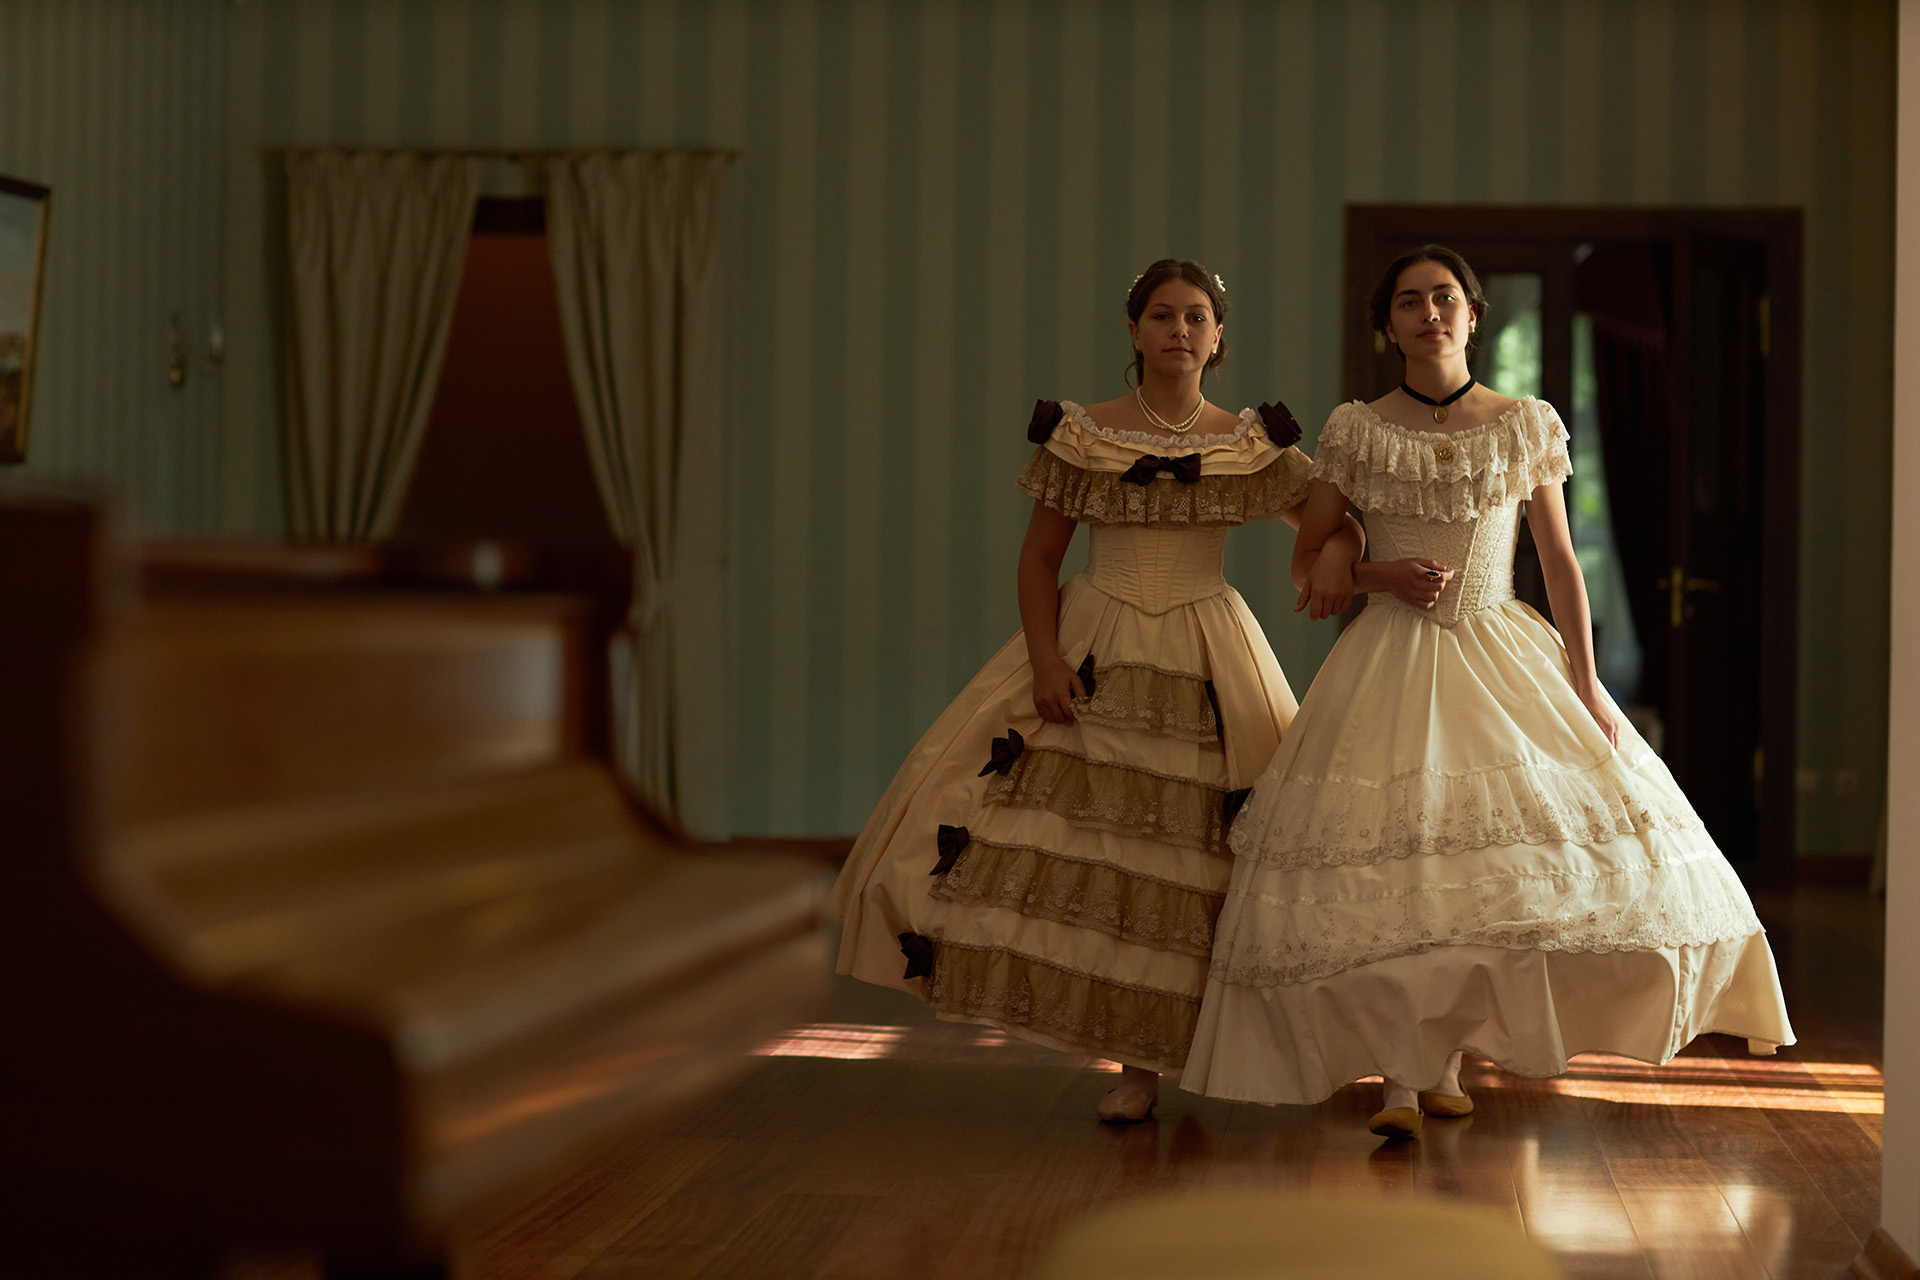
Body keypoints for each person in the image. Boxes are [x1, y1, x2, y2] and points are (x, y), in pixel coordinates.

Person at [1182, 244, 1794, 1138]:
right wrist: (1379, 571)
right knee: (1399, 871)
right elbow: (1308, 561)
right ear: (1386, 325)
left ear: (1472, 314)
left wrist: (1585, 686)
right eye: (1408, 302)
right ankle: (1401, 1077)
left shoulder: (1523, 423)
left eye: (1443, 299)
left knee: (1484, 876)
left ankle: (1449, 1058)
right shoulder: (1356, 428)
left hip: (1501, 648)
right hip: (1388, 659)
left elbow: (1559, 561)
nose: (1428, 314)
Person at [828, 258, 1445, 1123]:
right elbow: (1041, 557)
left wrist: (1343, 552)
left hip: (1207, 646)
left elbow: (1327, 519)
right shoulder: (1083, 434)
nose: (1180, 332)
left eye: (1197, 318)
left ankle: (1259, 1046)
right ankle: (1133, 1068)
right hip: (1096, 640)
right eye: (1163, 316)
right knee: (1111, 851)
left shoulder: (1249, 441)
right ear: (1133, 331)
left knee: (1208, 855)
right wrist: (1046, 660)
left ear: (1218, 337)